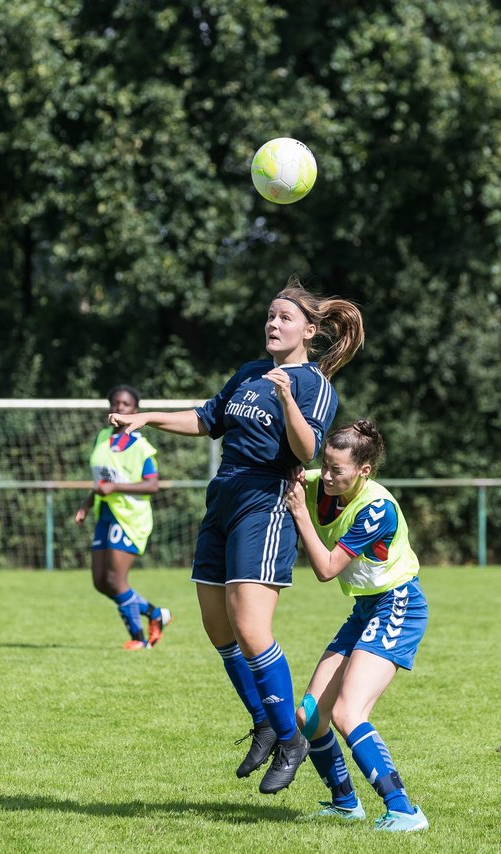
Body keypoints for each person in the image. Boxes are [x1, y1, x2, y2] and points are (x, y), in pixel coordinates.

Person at [108, 277, 364, 794]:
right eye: (269, 316)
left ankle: (290, 739)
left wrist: (288, 397)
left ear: (309, 331)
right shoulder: (250, 373)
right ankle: (266, 721)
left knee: (251, 629)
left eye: (284, 318)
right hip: (222, 501)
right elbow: (207, 418)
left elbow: (309, 448)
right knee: (218, 629)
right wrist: (148, 418)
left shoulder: (313, 384)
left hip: (263, 506)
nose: (273, 324)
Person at [283, 419, 430, 833]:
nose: (325, 476)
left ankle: (403, 810)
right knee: (310, 716)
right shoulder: (320, 483)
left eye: (337, 470)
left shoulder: (376, 508)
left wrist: (299, 514)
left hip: (398, 604)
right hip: (366, 609)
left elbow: (328, 569)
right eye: (324, 466)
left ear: (363, 471)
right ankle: (345, 804)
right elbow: (288, 477)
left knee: (349, 712)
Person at [73, 385, 172, 650]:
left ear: (135, 411)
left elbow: (152, 485)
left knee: (116, 580)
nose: (119, 408)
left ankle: (139, 639)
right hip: (104, 514)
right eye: (115, 403)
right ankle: (154, 613)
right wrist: (86, 503)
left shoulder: (140, 445)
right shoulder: (103, 437)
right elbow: (102, 481)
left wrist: (115, 488)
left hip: (130, 518)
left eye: (125, 404)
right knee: (100, 582)